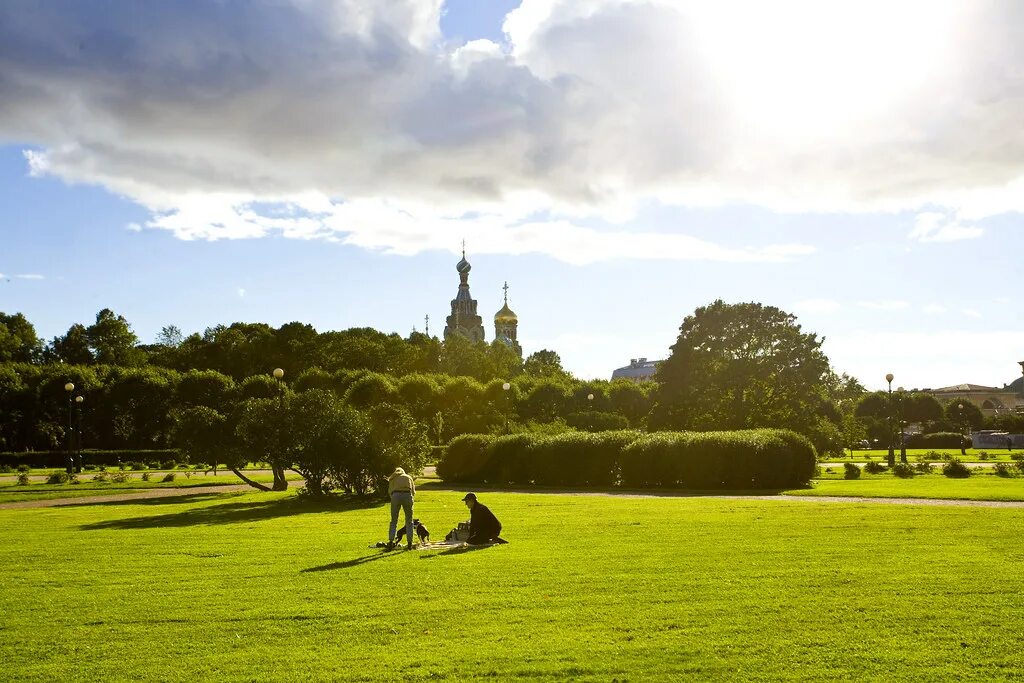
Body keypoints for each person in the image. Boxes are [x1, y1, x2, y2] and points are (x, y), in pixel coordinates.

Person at [387, 467, 416, 550]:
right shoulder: (408, 477)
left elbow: (390, 491)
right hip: (407, 495)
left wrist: (393, 497)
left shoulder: (393, 478)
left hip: (395, 496)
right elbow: (413, 491)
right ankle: (410, 542)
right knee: (409, 520)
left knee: (394, 520)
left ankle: (391, 540)